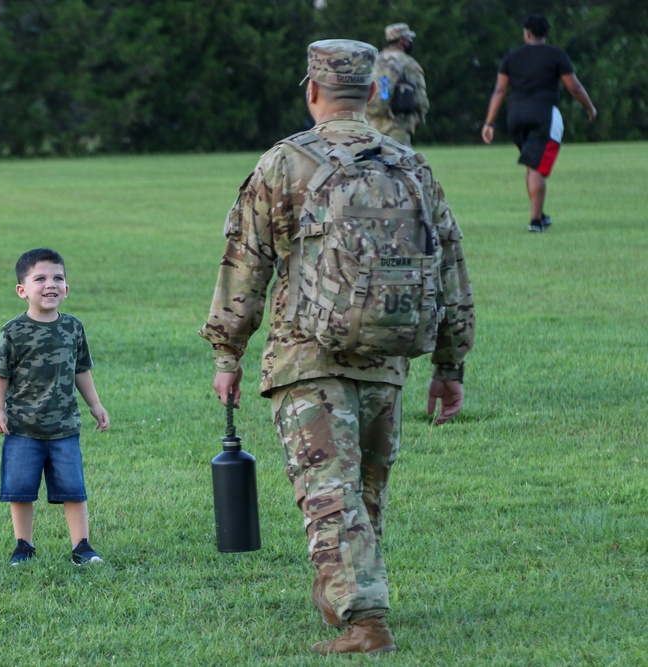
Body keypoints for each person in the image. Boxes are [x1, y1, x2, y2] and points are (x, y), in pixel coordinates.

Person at [199, 40, 475, 655]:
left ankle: (366, 620)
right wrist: (450, 366)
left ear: (313, 91)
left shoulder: (284, 164)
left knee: (329, 494)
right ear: (375, 91)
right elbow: (451, 264)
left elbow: (244, 266)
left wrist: (228, 354)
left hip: (306, 359)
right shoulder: (412, 166)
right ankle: (344, 595)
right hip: (388, 360)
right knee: (364, 492)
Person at [0, 248, 110, 566]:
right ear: (22, 290)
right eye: (40, 278)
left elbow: (81, 370)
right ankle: (24, 546)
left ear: (67, 289)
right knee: (20, 490)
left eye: (58, 278)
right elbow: (0, 374)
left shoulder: (73, 328)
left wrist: (95, 405)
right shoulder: (14, 332)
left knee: (73, 489)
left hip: (64, 428)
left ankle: (82, 546)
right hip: (22, 428)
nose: (50, 285)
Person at [481, 14, 597, 232]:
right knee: (537, 167)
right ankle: (535, 221)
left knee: (531, 164)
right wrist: (590, 108)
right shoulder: (556, 55)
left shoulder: (511, 57)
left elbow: (500, 90)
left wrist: (489, 123)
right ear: (545, 33)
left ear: (526, 33)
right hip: (543, 115)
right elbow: (574, 87)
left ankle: (539, 215)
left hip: (515, 116)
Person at [366, 23, 430, 146]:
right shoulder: (408, 63)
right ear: (401, 40)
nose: (411, 41)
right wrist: (419, 115)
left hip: (372, 126)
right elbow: (420, 99)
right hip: (398, 126)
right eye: (409, 38)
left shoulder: (375, 60)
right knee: (401, 163)